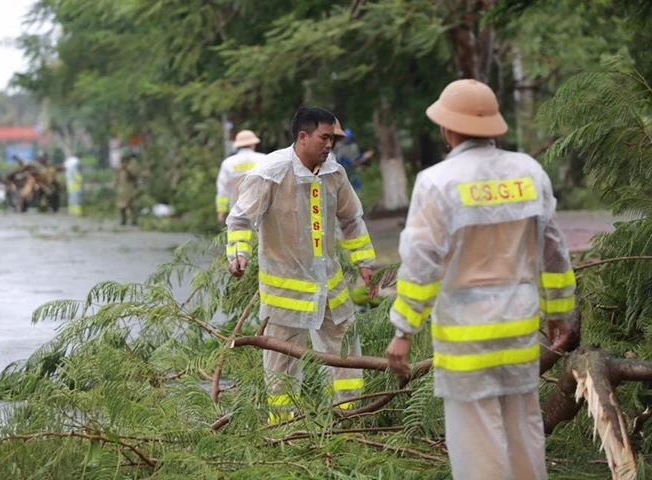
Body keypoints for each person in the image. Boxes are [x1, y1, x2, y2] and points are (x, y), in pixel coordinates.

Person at [385, 79, 576, 480]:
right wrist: (561, 313)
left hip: (465, 337)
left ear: (448, 129)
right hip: (519, 328)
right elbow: (554, 250)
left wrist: (403, 330)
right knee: (523, 429)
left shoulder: (438, 181)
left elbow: (421, 262)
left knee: (476, 441)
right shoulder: (529, 172)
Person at [226, 106, 378, 423]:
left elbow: (351, 220)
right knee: (281, 363)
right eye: (325, 138)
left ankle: (348, 419)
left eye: (333, 140)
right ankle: (284, 428)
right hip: (285, 290)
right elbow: (240, 218)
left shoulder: (334, 174)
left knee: (345, 355)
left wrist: (364, 261)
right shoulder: (270, 173)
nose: (329, 145)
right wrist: (238, 252)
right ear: (303, 136)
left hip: (330, 286)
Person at [215, 129, 267, 224]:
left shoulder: (228, 163)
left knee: (238, 238)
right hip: (262, 210)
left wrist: (221, 211)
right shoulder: (264, 159)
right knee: (261, 238)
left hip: (237, 209)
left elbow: (223, 189)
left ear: (238, 145)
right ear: (253, 144)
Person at [115, 152, 141, 225]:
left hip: (130, 188)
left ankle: (134, 220)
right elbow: (117, 177)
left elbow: (134, 177)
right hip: (121, 189)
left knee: (132, 205)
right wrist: (115, 184)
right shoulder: (119, 167)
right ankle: (123, 220)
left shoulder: (132, 165)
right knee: (121, 205)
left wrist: (126, 169)